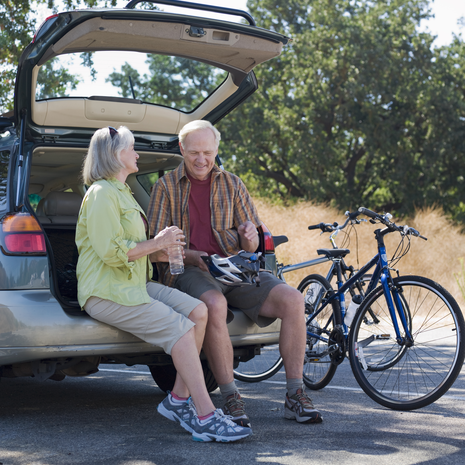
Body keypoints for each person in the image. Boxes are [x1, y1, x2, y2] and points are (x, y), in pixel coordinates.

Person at [75, 125, 252, 442]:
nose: (137, 154)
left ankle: (177, 400)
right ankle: (205, 416)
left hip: (133, 285)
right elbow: (112, 252)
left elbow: (134, 248)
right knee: (182, 329)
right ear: (116, 155)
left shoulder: (122, 192)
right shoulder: (101, 194)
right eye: (131, 149)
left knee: (199, 312)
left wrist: (162, 246)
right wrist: (158, 242)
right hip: (106, 292)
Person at [147, 120, 323, 427]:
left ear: (216, 150)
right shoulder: (164, 188)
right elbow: (156, 250)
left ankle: (295, 395)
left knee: (293, 300)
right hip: (190, 270)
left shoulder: (233, 184)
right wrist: (194, 255)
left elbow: (251, 243)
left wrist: (249, 238)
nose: (201, 160)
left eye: (207, 152)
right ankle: (230, 397)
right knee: (214, 305)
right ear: (181, 149)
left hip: (235, 267)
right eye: (194, 153)